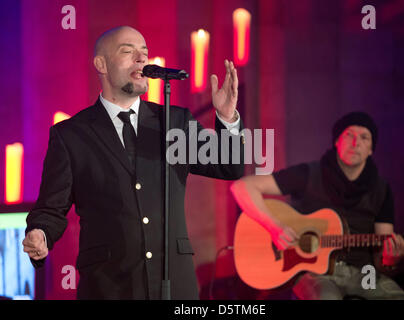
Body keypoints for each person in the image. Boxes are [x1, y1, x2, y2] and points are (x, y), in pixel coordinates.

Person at [22, 26, 244, 300]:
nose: (141, 59)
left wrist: (228, 118)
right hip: (109, 286)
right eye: (128, 52)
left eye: (145, 53)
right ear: (101, 64)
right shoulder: (72, 135)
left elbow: (229, 166)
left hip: (174, 284)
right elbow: (50, 208)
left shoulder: (174, 122)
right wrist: (40, 233)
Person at [231, 111, 404, 300]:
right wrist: (274, 227)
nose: (356, 143)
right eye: (349, 135)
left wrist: (390, 260)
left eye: (364, 137)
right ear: (336, 141)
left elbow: (381, 259)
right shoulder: (308, 174)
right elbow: (241, 187)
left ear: (371, 148)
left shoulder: (381, 190)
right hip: (312, 274)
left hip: (364, 273)